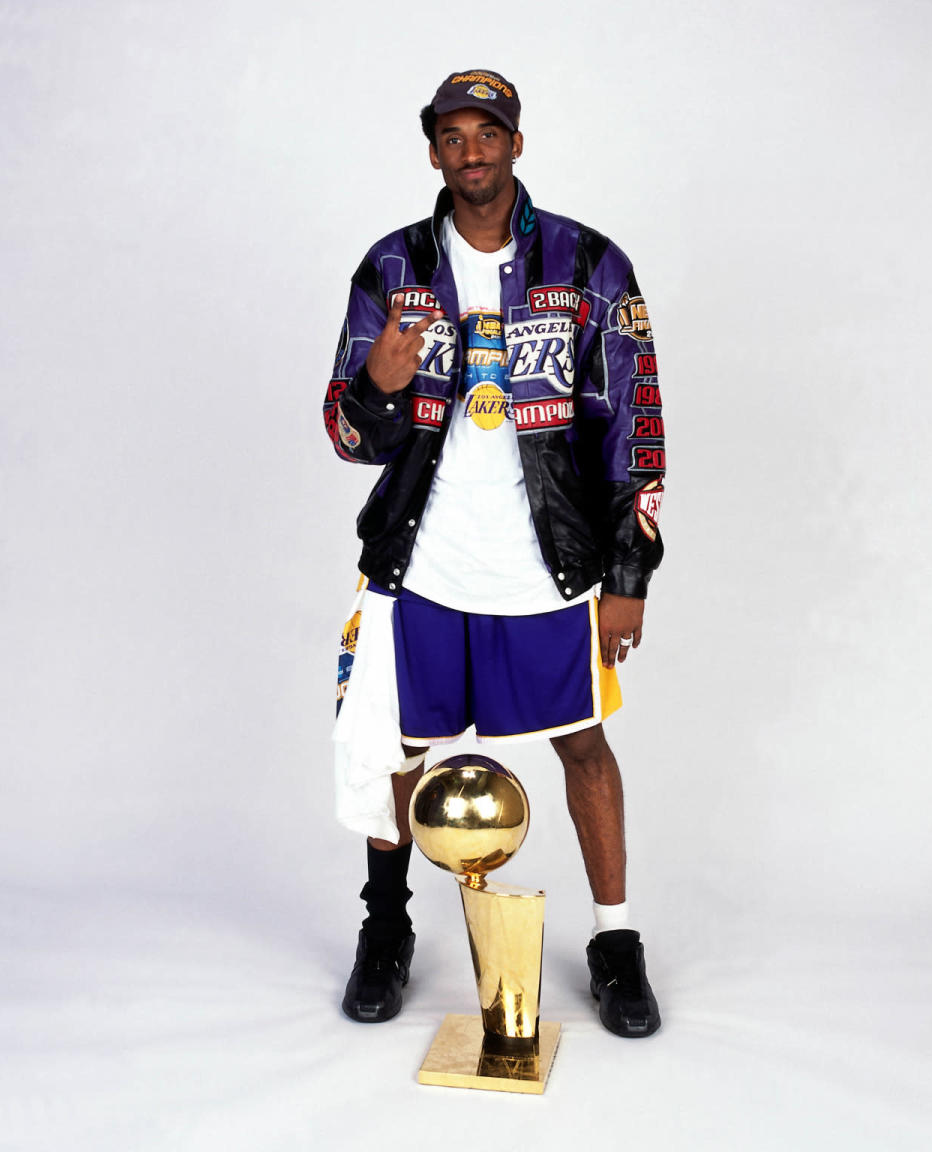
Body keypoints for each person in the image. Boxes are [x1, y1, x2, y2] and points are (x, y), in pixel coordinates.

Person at [322, 69, 666, 1038]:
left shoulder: (590, 265)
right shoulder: (391, 270)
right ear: (432, 150)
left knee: (584, 744)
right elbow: (348, 438)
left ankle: (616, 943)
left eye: (489, 134)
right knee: (399, 747)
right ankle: (384, 928)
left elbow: (635, 426)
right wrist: (378, 385)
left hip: (548, 564)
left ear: (517, 142)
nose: (472, 153)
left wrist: (628, 577)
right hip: (422, 564)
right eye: (453, 137)